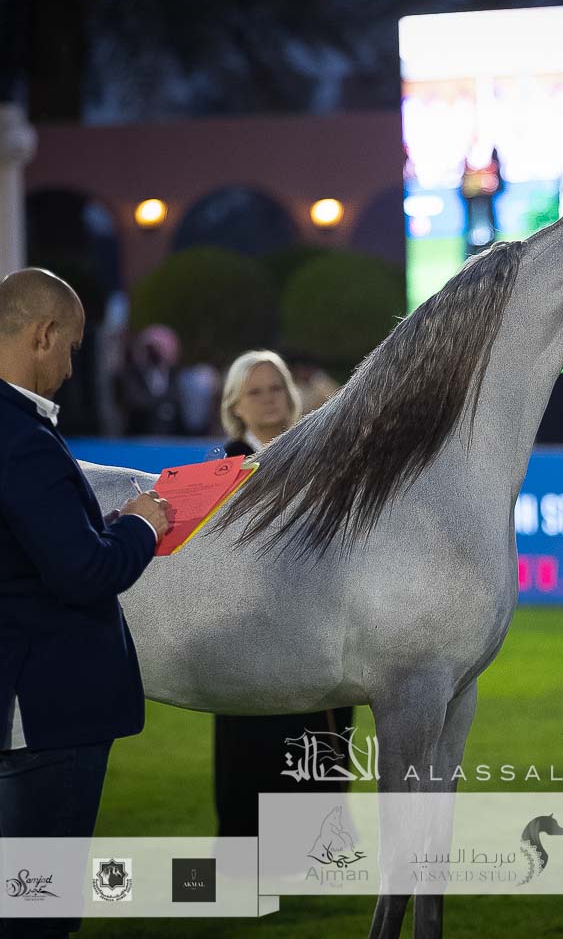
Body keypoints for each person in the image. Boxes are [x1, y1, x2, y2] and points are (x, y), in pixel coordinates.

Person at [0, 268, 172, 938]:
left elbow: (11, 554)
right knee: (37, 920)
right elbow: (87, 574)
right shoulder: (22, 438)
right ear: (44, 334)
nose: (72, 367)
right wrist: (143, 525)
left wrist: (99, 531)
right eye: (72, 347)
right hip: (46, 710)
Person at [212, 350, 353, 837]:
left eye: (276, 388)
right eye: (256, 391)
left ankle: (315, 848)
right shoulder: (223, 466)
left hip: (320, 630)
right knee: (253, 757)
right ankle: (249, 855)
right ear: (236, 406)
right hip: (249, 638)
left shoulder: (321, 454)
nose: (269, 399)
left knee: (318, 754)